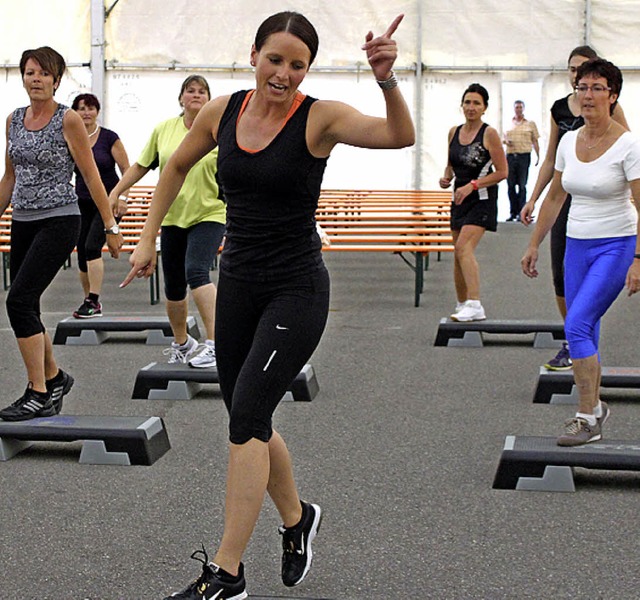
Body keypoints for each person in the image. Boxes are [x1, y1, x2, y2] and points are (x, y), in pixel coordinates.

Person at [121, 12, 414, 599]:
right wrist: (150, 236)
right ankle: (297, 518)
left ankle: (227, 574)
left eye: (297, 64)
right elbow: (175, 165)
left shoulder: (319, 116)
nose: (283, 74)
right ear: (254, 54)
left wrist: (386, 79)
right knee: (245, 414)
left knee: (248, 413)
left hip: (297, 288)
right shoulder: (222, 111)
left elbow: (397, 136)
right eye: (274, 59)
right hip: (239, 285)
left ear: (308, 69)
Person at [521, 58, 640, 446]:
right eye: (582, 88)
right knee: (585, 325)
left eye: (596, 88)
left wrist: (638, 260)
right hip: (576, 245)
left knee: (575, 327)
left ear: (613, 96)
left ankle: (586, 416)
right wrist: (535, 243)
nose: (587, 96)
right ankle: (595, 406)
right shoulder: (570, 140)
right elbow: (556, 195)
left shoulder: (629, 144)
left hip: (616, 245)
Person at [0, 46, 122, 421]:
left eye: (43, 73)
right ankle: (54, 378)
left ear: (56, 79)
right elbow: (10, 177)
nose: (35, 79)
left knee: (17, 302)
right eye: (29, 72)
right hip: (24, 219)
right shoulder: (13, 120)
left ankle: (38, 391)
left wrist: (109, 225)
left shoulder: (66, 120)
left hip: (59, 219)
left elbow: (91, 175)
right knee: (27, 302)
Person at [109, 75, 226, 369]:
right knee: (174, 285)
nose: (196, 95)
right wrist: (117, 190)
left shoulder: (219, 130)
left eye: (202, 92)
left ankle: (216, 343)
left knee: (196, 271)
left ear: (209, 99)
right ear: (181, 98)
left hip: (209, 213)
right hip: (173, 216)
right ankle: (183, 343)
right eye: (190, 91)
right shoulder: (165, 130)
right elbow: (141, 165)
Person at [439, 83, 508, 322]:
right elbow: (450, 164)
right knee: (457, 253)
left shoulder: (489, 134)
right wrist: (446, 177)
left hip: (481, 198)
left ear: (485, 108)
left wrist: (474, 185)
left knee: (464, 248)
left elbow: (502, 172)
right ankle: (462, 303)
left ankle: (475, 303)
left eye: (476, 103)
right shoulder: (453, 132)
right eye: (467, 102)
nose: (471, 107)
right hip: (459, 199)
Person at [71, 93, 131, 318]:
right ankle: (89, 301)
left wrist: (123, 197)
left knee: (91, 246)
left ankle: (93, 300)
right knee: (81, 253)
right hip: (82, 202)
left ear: (97, 111)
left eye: (90, 108)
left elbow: (127, 169)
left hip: (109, 201)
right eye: (81, 108)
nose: (86, 112)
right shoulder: (72, 138)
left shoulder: (109, 138)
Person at [503, 100, 540, 221]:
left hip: (524, 156)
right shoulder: (508, 124)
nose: (518, 109)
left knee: (522, 185)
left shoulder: (530, 124)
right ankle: (513, 212)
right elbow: (502, 138)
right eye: (516, 107)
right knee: (510, 185)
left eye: (520, 107)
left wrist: (538, 155)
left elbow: (535, 140)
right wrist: (506, 141)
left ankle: (521, 212)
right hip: (510, 156)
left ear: (523, 109)